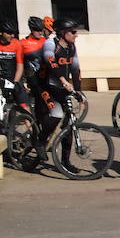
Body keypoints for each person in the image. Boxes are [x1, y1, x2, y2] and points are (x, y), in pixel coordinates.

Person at [38, 19, 85, 164]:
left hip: (61, 86)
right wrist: (64, 81)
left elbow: (75, 69)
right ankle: (39, 142)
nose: (76, 35)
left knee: (69, 125)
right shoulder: (50, 44)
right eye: (73, 32)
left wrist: (79, 92)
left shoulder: (72, 47)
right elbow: (50, 62)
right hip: (45, 85)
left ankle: (66, 162)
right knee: (57, 114)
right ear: (63, 33)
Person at [18, 16, 50, 120]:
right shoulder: (23, 43)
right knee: (40, 103)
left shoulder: (45, 41)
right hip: (32, 77)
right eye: (37, 30)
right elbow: (19, 63)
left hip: (45, 76)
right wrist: (23, 80)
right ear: (31, 30)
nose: (40, 32)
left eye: (42, 30)